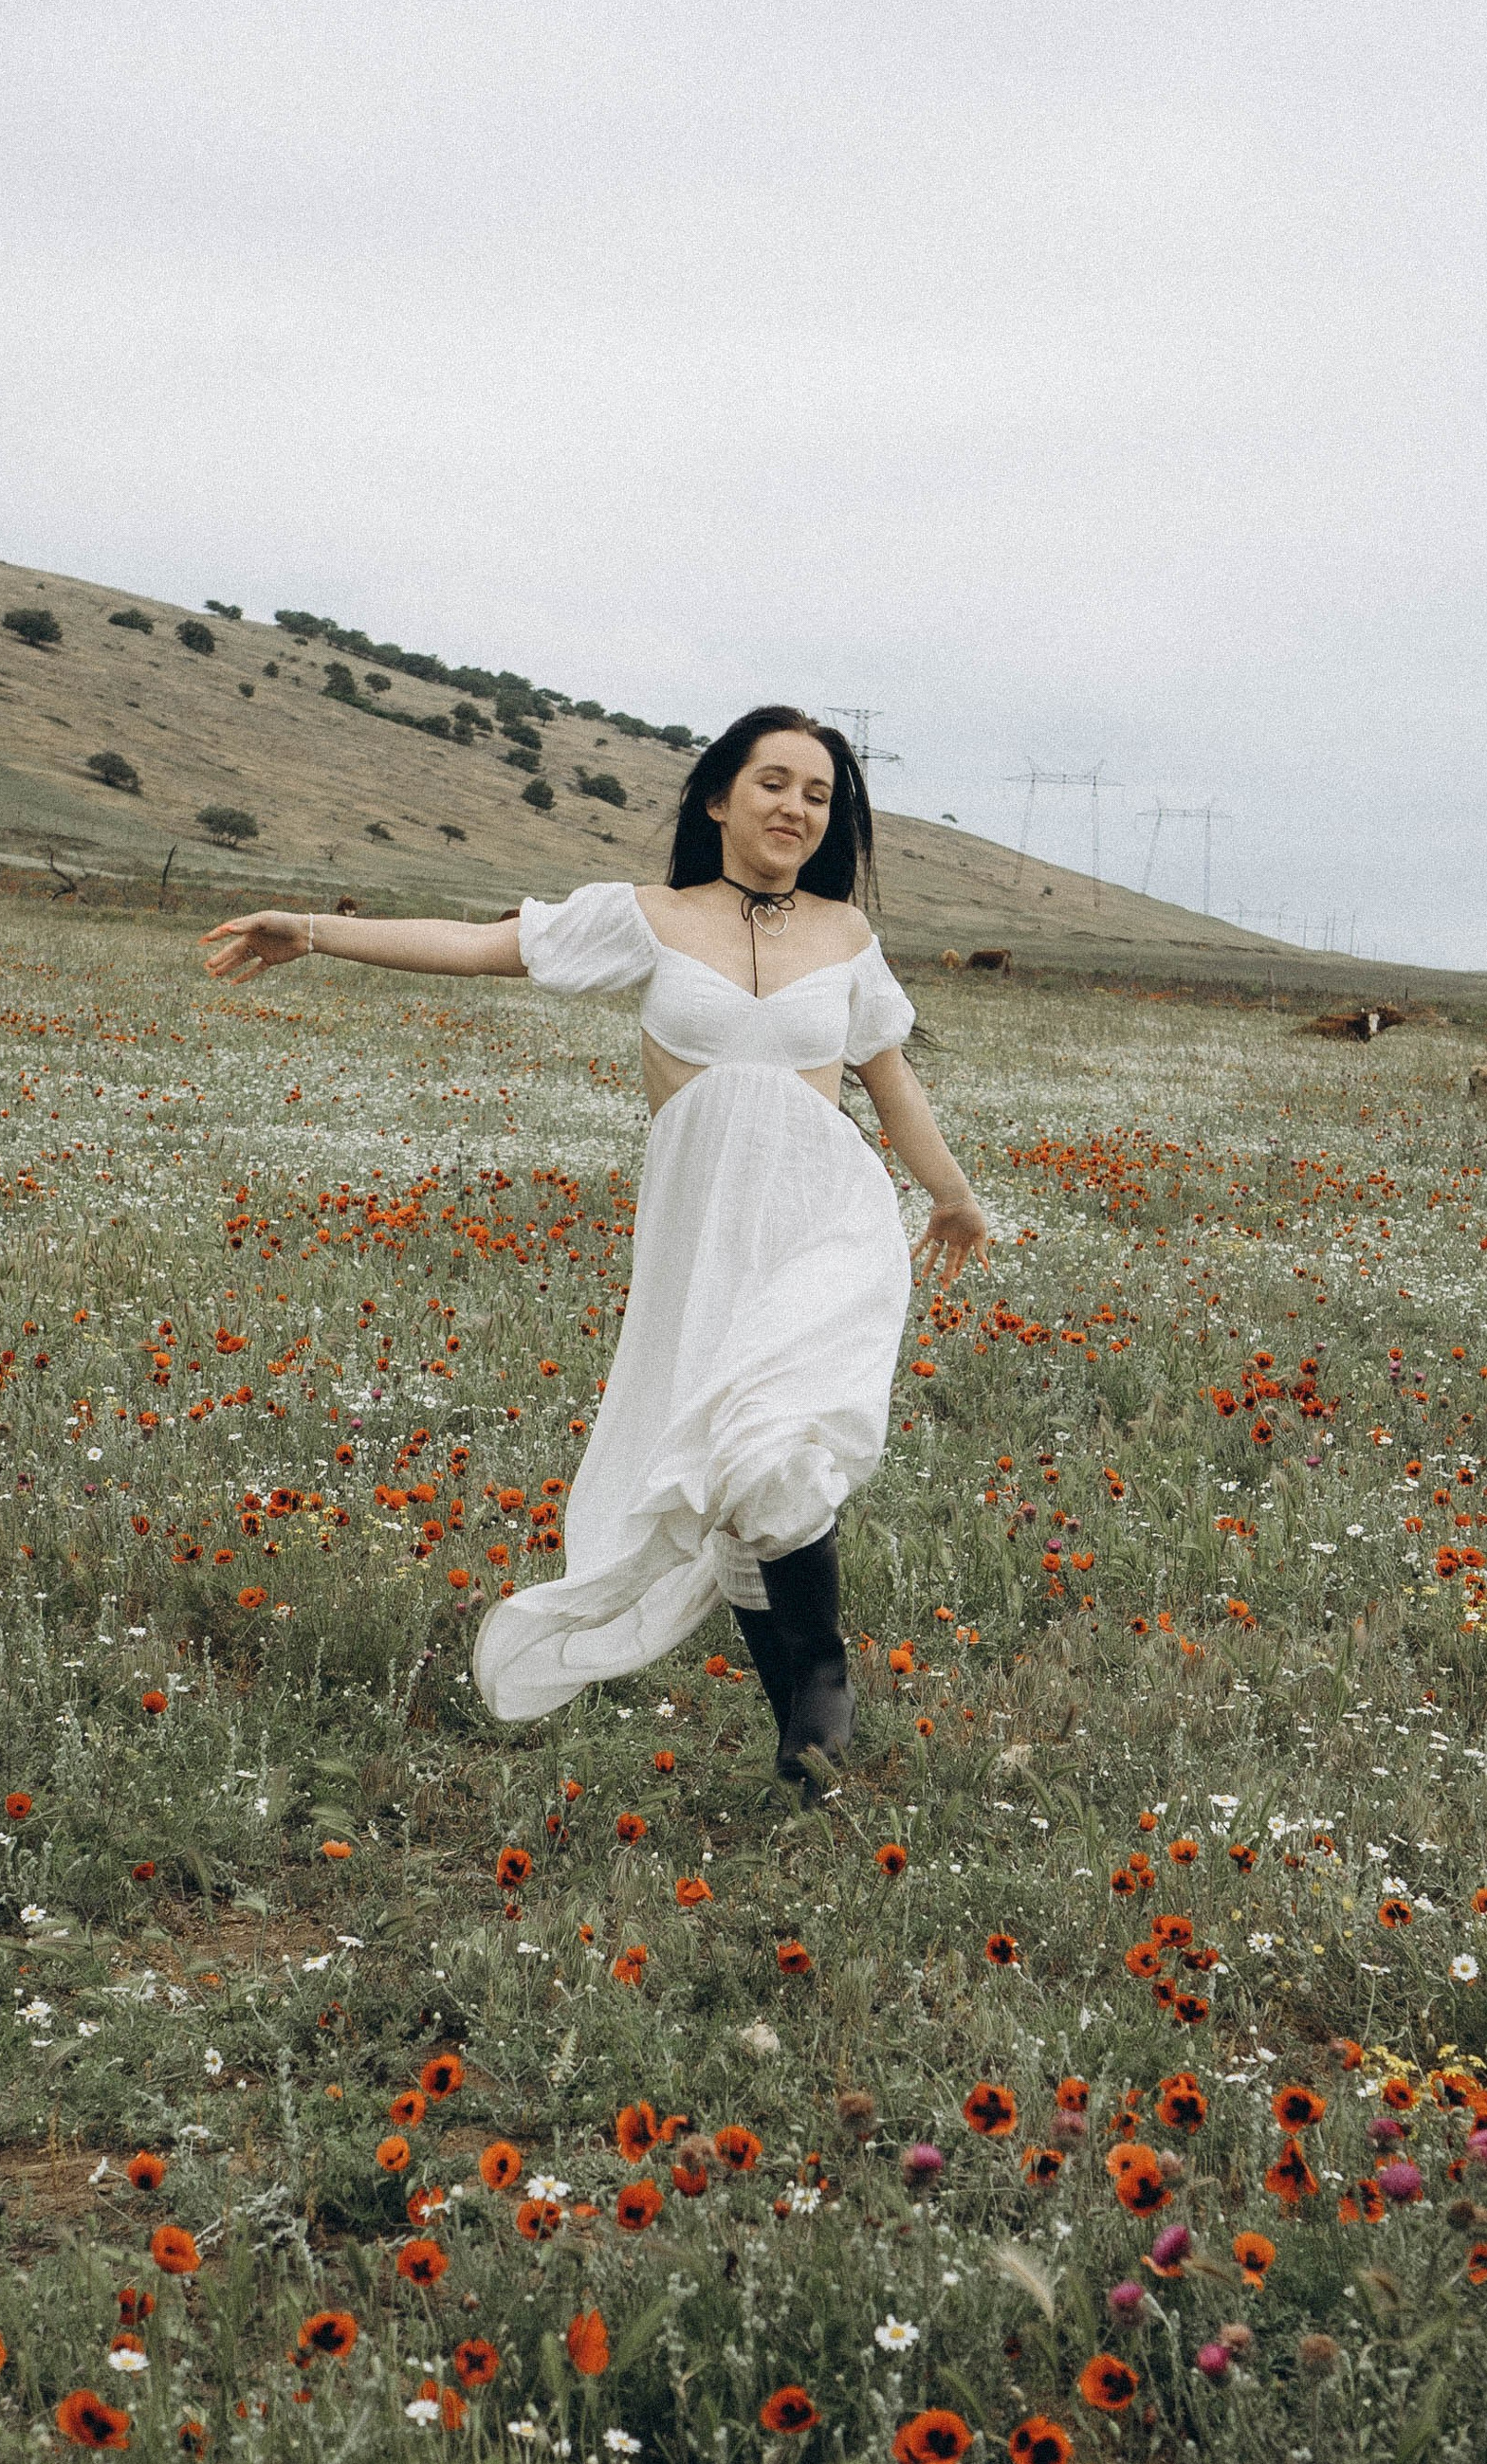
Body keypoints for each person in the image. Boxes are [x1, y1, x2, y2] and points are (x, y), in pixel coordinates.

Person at [201, 707, 986, 1780]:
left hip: (827, 1220)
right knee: (734, 1468)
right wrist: (316, 926)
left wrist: (950, 1196)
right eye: (773, 783)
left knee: (771, 1443)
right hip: (704, 1242)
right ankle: (804, 1726)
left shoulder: (846, 938)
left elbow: (888, 1077)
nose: (796, 807)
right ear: (718, 797)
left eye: (819, 793)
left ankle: (820, 1685)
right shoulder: (646, 919)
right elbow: (484, 949)